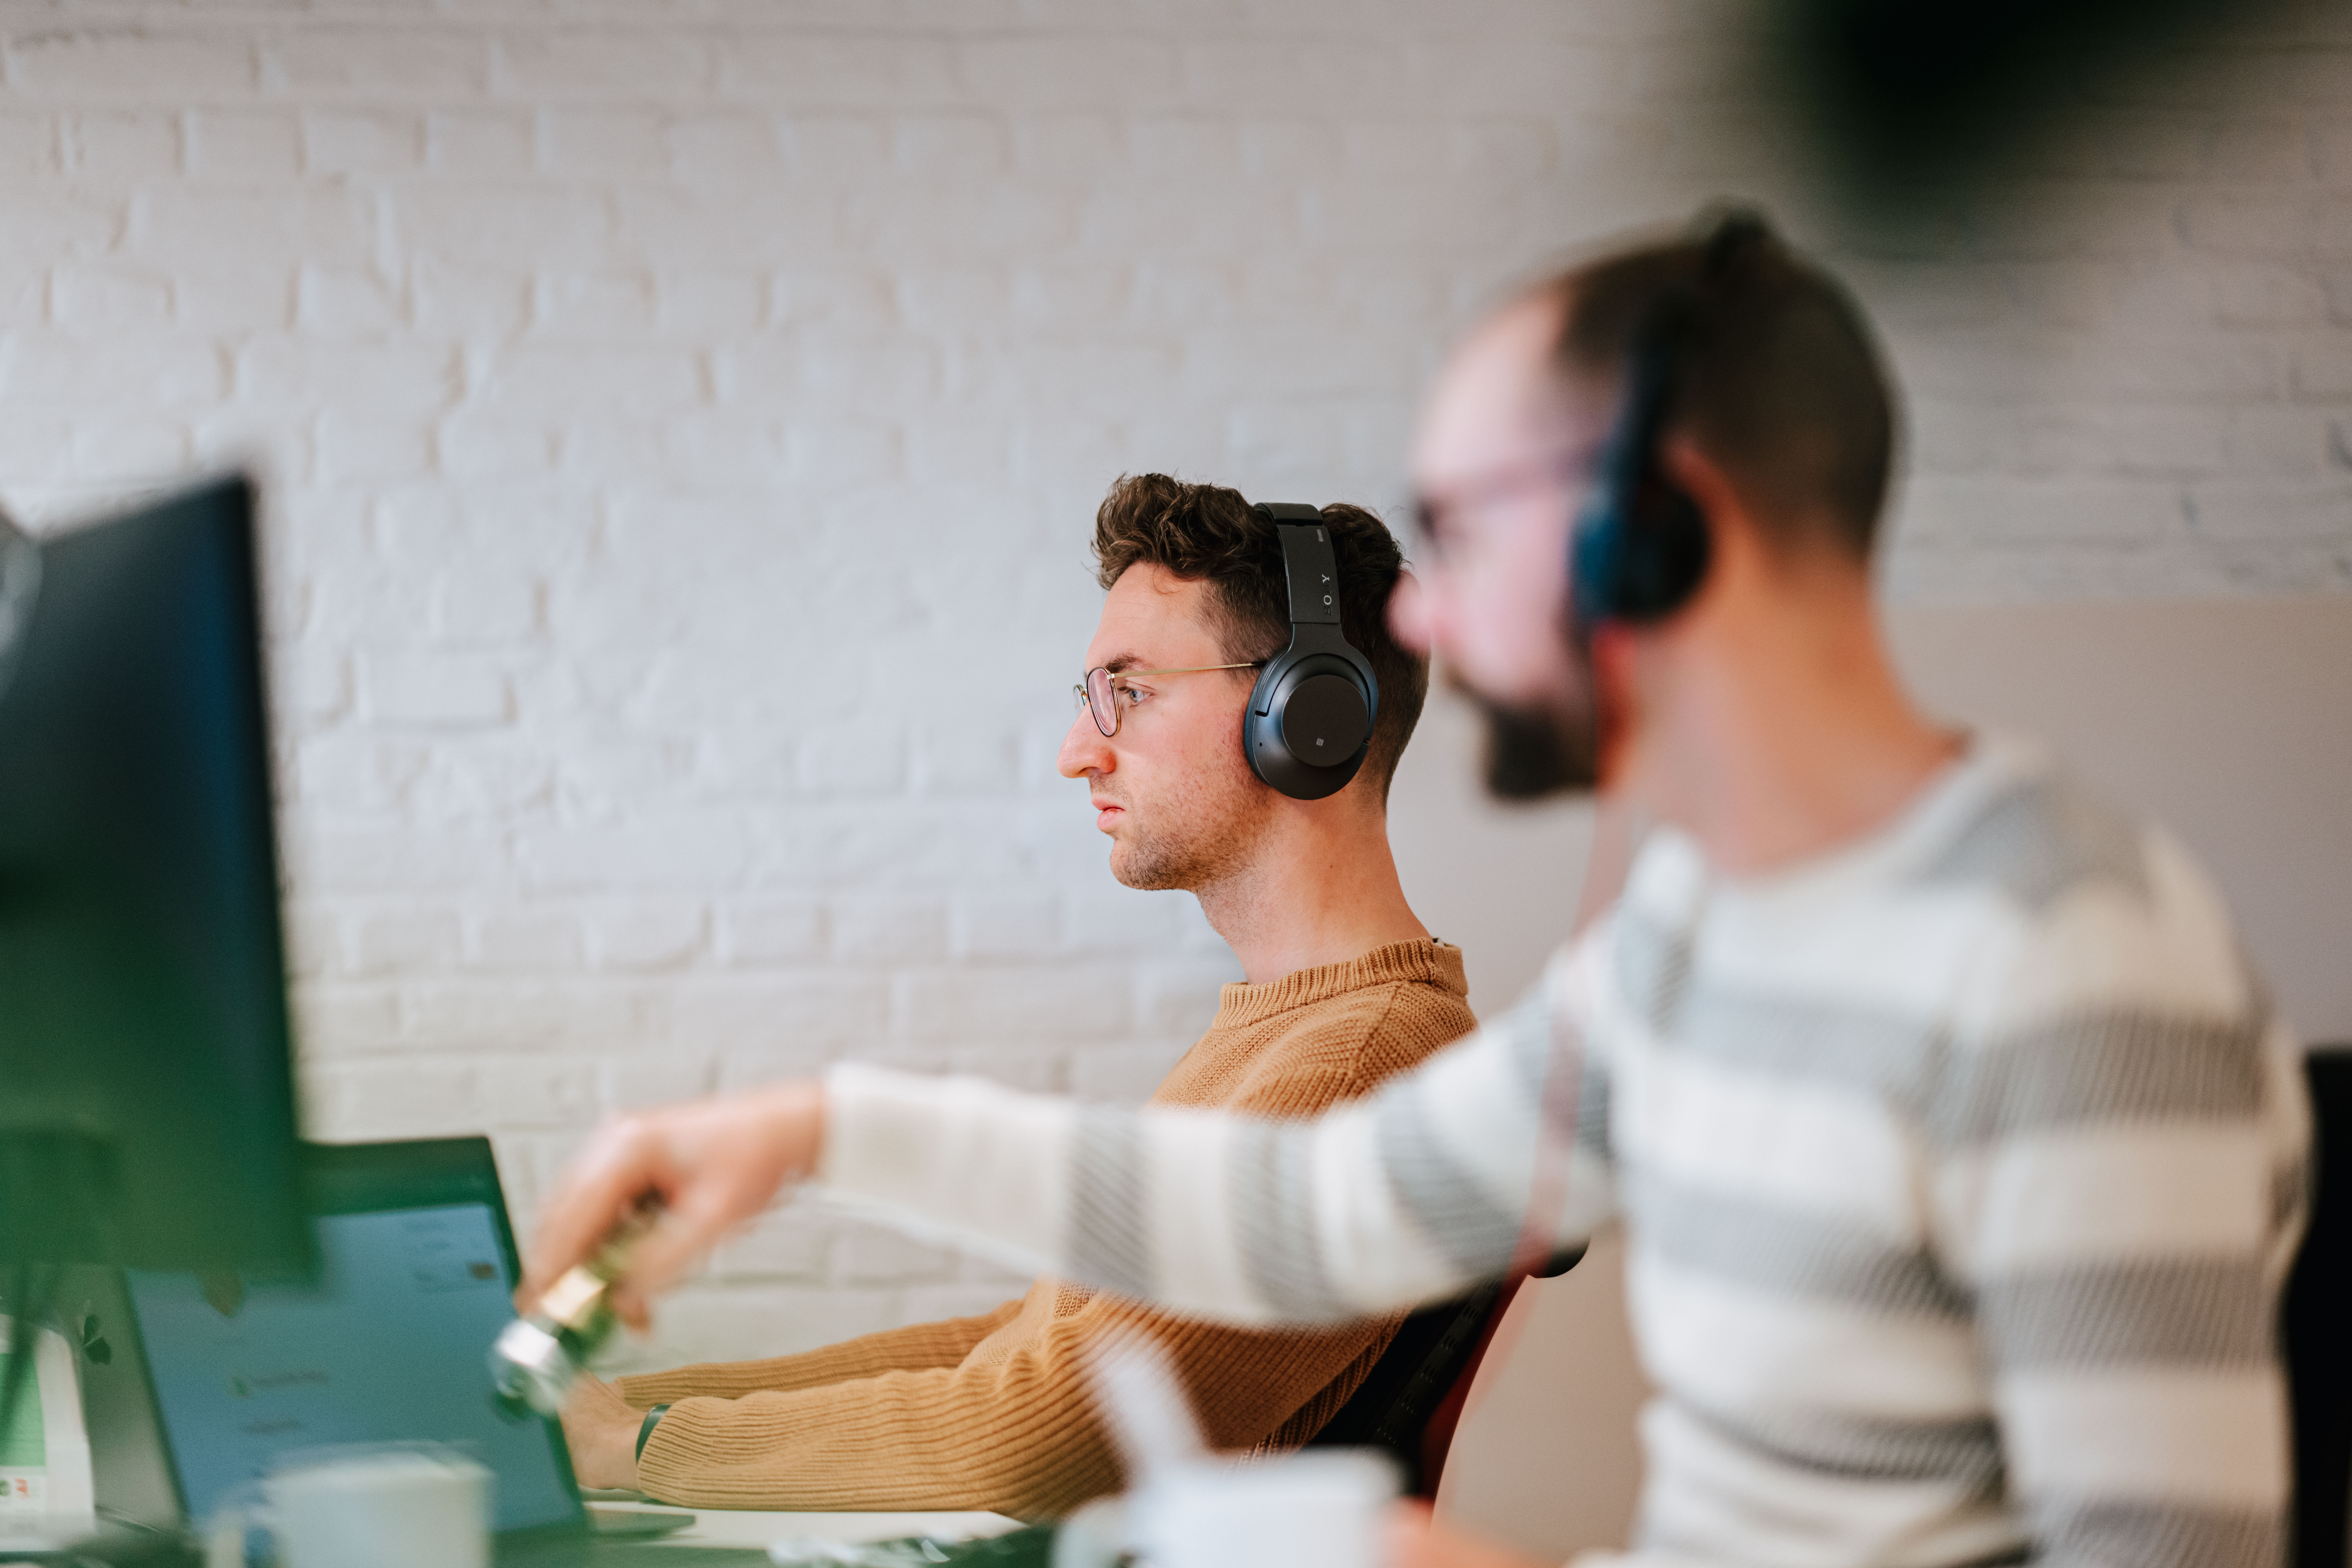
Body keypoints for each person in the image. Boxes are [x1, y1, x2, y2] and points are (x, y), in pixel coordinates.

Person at [526, 215, 2310, 1568]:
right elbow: (1292, 1222)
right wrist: (820, 1127)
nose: (1428, 625)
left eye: (1465, 535)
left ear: (1657, 527)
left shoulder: (2070, 964)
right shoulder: (1711, 939)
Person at [558, 473, 1477, 1518]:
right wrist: (613, 1411)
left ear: (1308, 712)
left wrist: (638, 1447)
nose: (1078, 751)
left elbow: (1043, 1438)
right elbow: (1029, 1344)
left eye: (1127, 692)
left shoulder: (1363, 1064)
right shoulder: (1303, 1035)